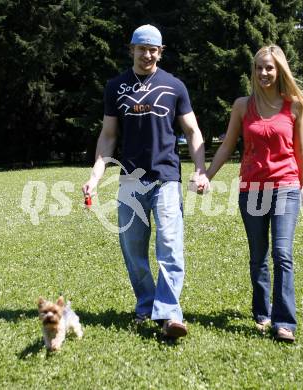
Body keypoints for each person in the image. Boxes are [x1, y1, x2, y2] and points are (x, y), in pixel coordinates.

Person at [82, 24, 209, 338]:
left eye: (153, 49)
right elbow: (108, 136)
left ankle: (168, 314)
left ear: (160, 52)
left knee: (170, 244)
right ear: (132, 50)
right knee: (133, 249)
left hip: (166, 177)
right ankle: (146, 305)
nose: (147, 54)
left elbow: (192, 132)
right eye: (142, 48)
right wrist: (95, 176)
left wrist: (200, 169)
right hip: (130, 182)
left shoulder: (175, 86)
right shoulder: (116, 87)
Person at [206, 45, 303, 343]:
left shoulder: (294, 106)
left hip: (285, 186)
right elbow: (227, 145)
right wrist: (207, 175)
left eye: (269, 68)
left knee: (282, 253)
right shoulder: (242, 105)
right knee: (258, 256)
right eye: (258, 68)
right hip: (251, 189)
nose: (263, 73)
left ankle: (284, 322)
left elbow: (299, 149)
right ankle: (262, 311)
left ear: (279, 71)